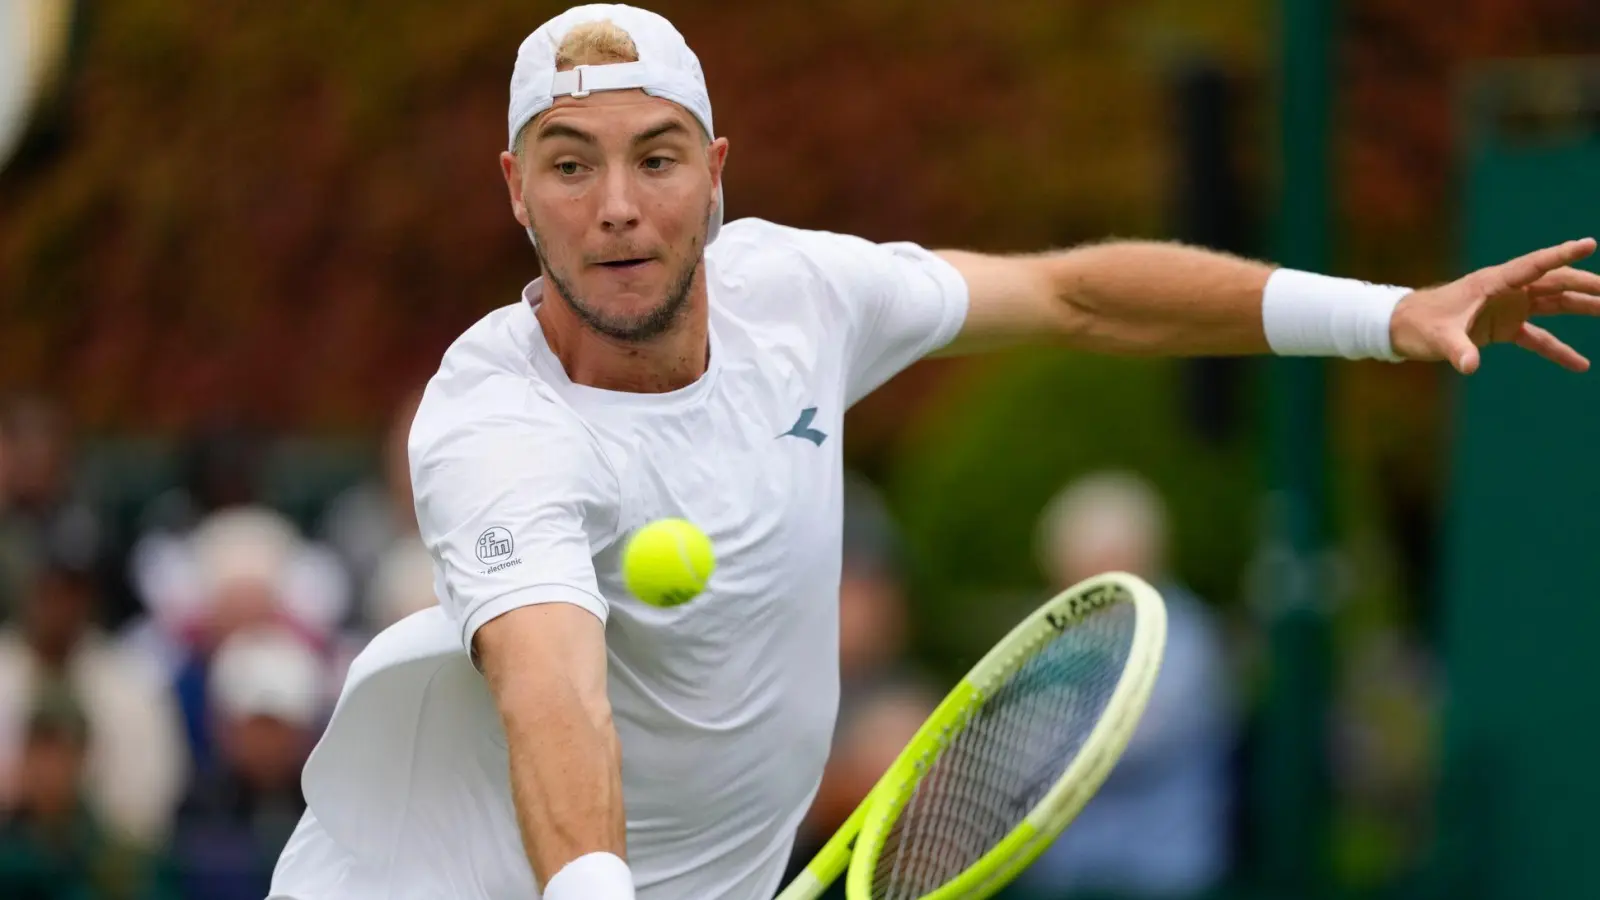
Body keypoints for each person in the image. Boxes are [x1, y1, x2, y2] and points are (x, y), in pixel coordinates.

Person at [268, 5, 1600, 899]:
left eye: (655, 157)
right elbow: (555, 697)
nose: (617, 207)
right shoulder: (493, 421)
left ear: (715, 170)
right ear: (514, 187)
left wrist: (1388, 315)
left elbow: (1074, 295)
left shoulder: (804, 295)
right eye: (569, 166)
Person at [1007, 471, 1236, 900]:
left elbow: (1131, 744)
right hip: (1064, 875)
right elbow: (1013, 752)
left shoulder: (1186, 637)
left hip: (1165, 875)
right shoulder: (1046, 637)